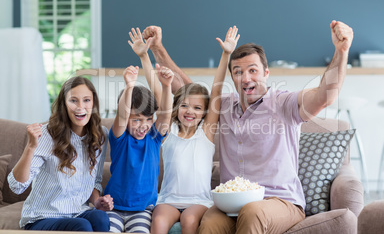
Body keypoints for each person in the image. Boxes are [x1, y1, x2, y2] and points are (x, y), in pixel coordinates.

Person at [142, 20, 354, 233]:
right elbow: (187, 90)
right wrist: (157, 48)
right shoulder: (224, 107)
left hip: (279, 202)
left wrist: (341, 52)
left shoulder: (284, 103)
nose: (246, 78)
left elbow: (323, 96)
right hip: (229, 204)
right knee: (209, 224)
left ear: (266, 73)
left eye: (253, 70)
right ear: (232, 77)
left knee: (252, 212)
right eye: (238, 72)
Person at [144, 26, 239, 234]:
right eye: (185, 105)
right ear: (177, 106)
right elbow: (159, 93)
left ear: (205, 112)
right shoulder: (167, 129)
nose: (190, 112)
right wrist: (145, 57)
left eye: (197, 108)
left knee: (188, 220)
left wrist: (226, 54)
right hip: (168, 200)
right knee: (159, 223)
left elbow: (216, 89)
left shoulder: (205, 132)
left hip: (198, 201)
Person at [8, 76, 114, 232]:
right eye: (73, 100)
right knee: (82, 226)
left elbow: (94, 181)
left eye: (86, 100)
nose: (80, 107)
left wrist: (97, 201)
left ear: (93, 104)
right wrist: (30, 146)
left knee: (100, 217)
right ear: (64, 104)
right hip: (43, 216)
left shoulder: (100, 135)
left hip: (77, 212)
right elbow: (17, 186)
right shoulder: (47, 134)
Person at [104, 32, 174, 234]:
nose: (144, 125)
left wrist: (167, 86)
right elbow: (122, 115)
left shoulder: (154, 138)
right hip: (114, 208)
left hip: (142, 210)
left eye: (148, 119)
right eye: (137, 120)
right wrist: (129, 86)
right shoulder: (119, 138)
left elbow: (165, 114)